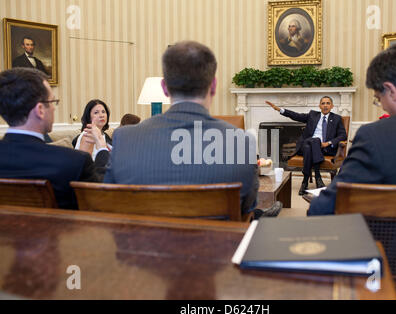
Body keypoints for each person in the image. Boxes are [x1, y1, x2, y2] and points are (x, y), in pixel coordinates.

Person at [104, 41, 281, 217]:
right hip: (219, 244)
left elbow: (108, 202)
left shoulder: (124, 138)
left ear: (164, 87)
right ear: (213, 86)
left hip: (141, 244)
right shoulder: (242, 143)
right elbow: (247, 208)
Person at [308, 43, 396, 216]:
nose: (382, 107)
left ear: (391, 90)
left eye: (378, 98)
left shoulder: (375, 137)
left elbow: (323, 208)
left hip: (393, 242)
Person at [0, 67, 109, 209]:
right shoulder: (73, 162)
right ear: (40, 110)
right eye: (52, 102)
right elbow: (100, 199)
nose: (54, 108)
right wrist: (102, 149)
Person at [266, 97, 347, 195]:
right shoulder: (313, 115)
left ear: (332, 106)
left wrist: (328, 143)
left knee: (311, 146)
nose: (325, 105)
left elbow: (343, 135)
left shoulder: (337, 118)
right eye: (323, 103)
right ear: (319, 106)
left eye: (328, 103)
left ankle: (305, 181)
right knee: (314, 141)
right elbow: (296, 116)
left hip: (324, 148)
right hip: (307, 145)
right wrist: (280, 110)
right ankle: (318, 177)